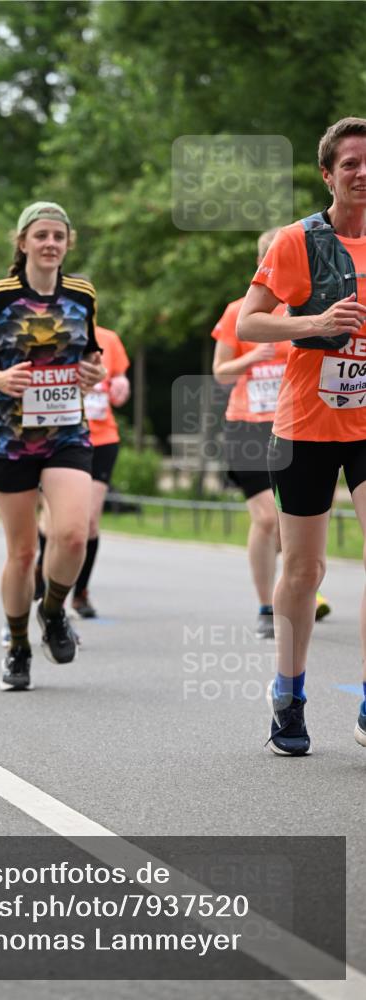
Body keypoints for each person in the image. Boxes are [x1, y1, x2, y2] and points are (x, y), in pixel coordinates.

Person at [237, 116, 366, 754]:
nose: (363, 173)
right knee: (305, 567)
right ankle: (289, 693)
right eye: (350, 164)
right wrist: (314, 324)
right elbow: (250, 325)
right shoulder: (298, 241)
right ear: (328, 174)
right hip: (307, 425)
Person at [0, 200, 106, 691]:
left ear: (68, 244)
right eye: (41, 235)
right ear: (22, 242)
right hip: (10, 438)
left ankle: (53, 611)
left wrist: (95, 370)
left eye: (58, 236)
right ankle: (18, 646)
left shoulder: (82, 294)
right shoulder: (0, 297)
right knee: (22, 553)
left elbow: (92, 355)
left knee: (72, 534)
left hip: (67, 430)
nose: (50, 244)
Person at [212, 229, 332, 639]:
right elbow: (219, 372)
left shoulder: (311, 308)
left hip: (298, 424)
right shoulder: (238, 312)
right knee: (266, 518)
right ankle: (267, 604)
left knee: (294, 520)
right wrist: (251, 361)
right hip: (248, 424)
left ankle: (298, 591)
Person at [37, 323, 130, 619]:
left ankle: (80, 593)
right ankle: (45, 575)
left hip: (101, 439)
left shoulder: (109, 339)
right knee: (54, 525)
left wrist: (121, 388)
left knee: (88, 522)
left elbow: (119, 385)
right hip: (56, 439)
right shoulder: (45, 336)